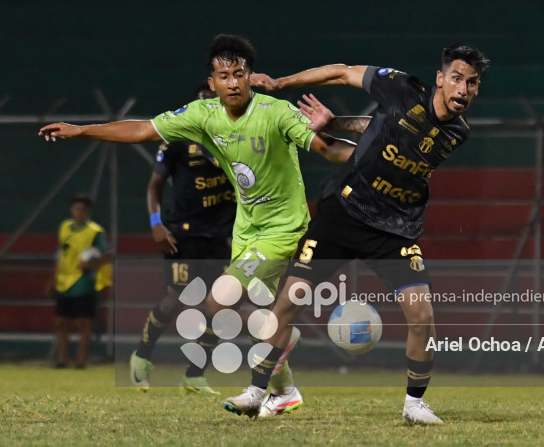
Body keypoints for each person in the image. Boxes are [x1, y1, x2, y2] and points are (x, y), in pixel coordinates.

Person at [39, 34, 357, 416]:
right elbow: (142, 129)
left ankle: (270, 360)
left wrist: (377, 159)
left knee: (220, 298)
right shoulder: (203, 115)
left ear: (251, 76)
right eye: (224, 76)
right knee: (260, 318)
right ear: (212, 83)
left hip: (284, 229)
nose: (233, 83)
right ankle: (285, 387)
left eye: (239, 74)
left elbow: (328, 147)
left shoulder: (276, 112)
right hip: (245, 231)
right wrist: (82, 130)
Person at [228, 44, 490, 425]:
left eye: (472, 83)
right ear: (440, 78)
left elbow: (386, 126)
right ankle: (256, 392)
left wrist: (337, 123)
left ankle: (414, 405)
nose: (463, 89)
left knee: (422, 315)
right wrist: (282, 84)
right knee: (289, 301)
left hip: (394, 229)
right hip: (344, 212)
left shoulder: (458, 133)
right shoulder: (401, 87)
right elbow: (342, 71)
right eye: (457, 78)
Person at [129, 83, 237, 394]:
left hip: (220, 236)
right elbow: (154, 186)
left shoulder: (235, 138)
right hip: (183, 234)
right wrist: (156, 223)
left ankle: (194, 375)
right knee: (175, 298)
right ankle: (141, 357)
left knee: (221, 305)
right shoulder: (178, 137)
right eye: (203, 101)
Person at [50, 193, 113, 369]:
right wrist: (54, 278)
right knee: (61, 322)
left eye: (83, 210)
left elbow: (108, 255)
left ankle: (81, 361)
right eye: (77, 209)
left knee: (83, 322)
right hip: (64, 281)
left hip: (83, 281)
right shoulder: (64, 227)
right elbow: (61, 254)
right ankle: (62, 360)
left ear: (88, 212)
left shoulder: (95, 232)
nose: (79, 212)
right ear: (72, 210)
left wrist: (91, 263)